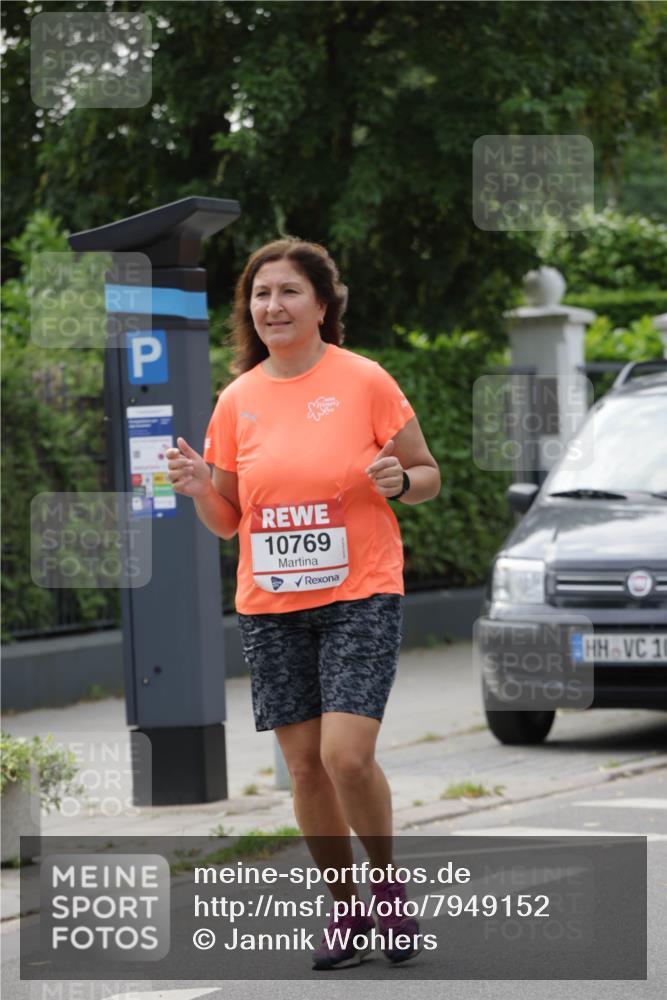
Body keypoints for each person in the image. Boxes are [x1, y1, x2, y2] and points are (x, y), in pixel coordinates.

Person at [166, 237, 440, 970]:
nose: (272, 306)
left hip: (360, 592)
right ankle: (345, 910)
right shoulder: (237, 400)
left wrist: (399, 482)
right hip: (271, 604)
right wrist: (200, 491)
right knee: (306, 770)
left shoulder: (364, 380)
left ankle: (384, 891)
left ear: (322, 304)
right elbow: (230, 519)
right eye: (260, 295)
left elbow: (425, 472)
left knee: (345, 758)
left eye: (288, 292)